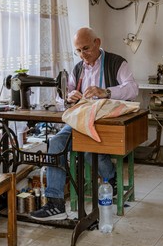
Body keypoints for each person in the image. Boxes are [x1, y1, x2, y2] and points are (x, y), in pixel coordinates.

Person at [30, 27, 139, 221]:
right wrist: (69, 95)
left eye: (86, 48)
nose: (83, 54)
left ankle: (110, 177)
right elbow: (63, 95)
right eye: (78, 50)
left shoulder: (116, 62)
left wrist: (106, 91)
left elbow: (132, 88)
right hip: (82, 119)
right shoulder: (78, 68)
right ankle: (55, 204)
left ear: (97, 42)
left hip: (107, 121)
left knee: (90, 150)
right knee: (56, 143)